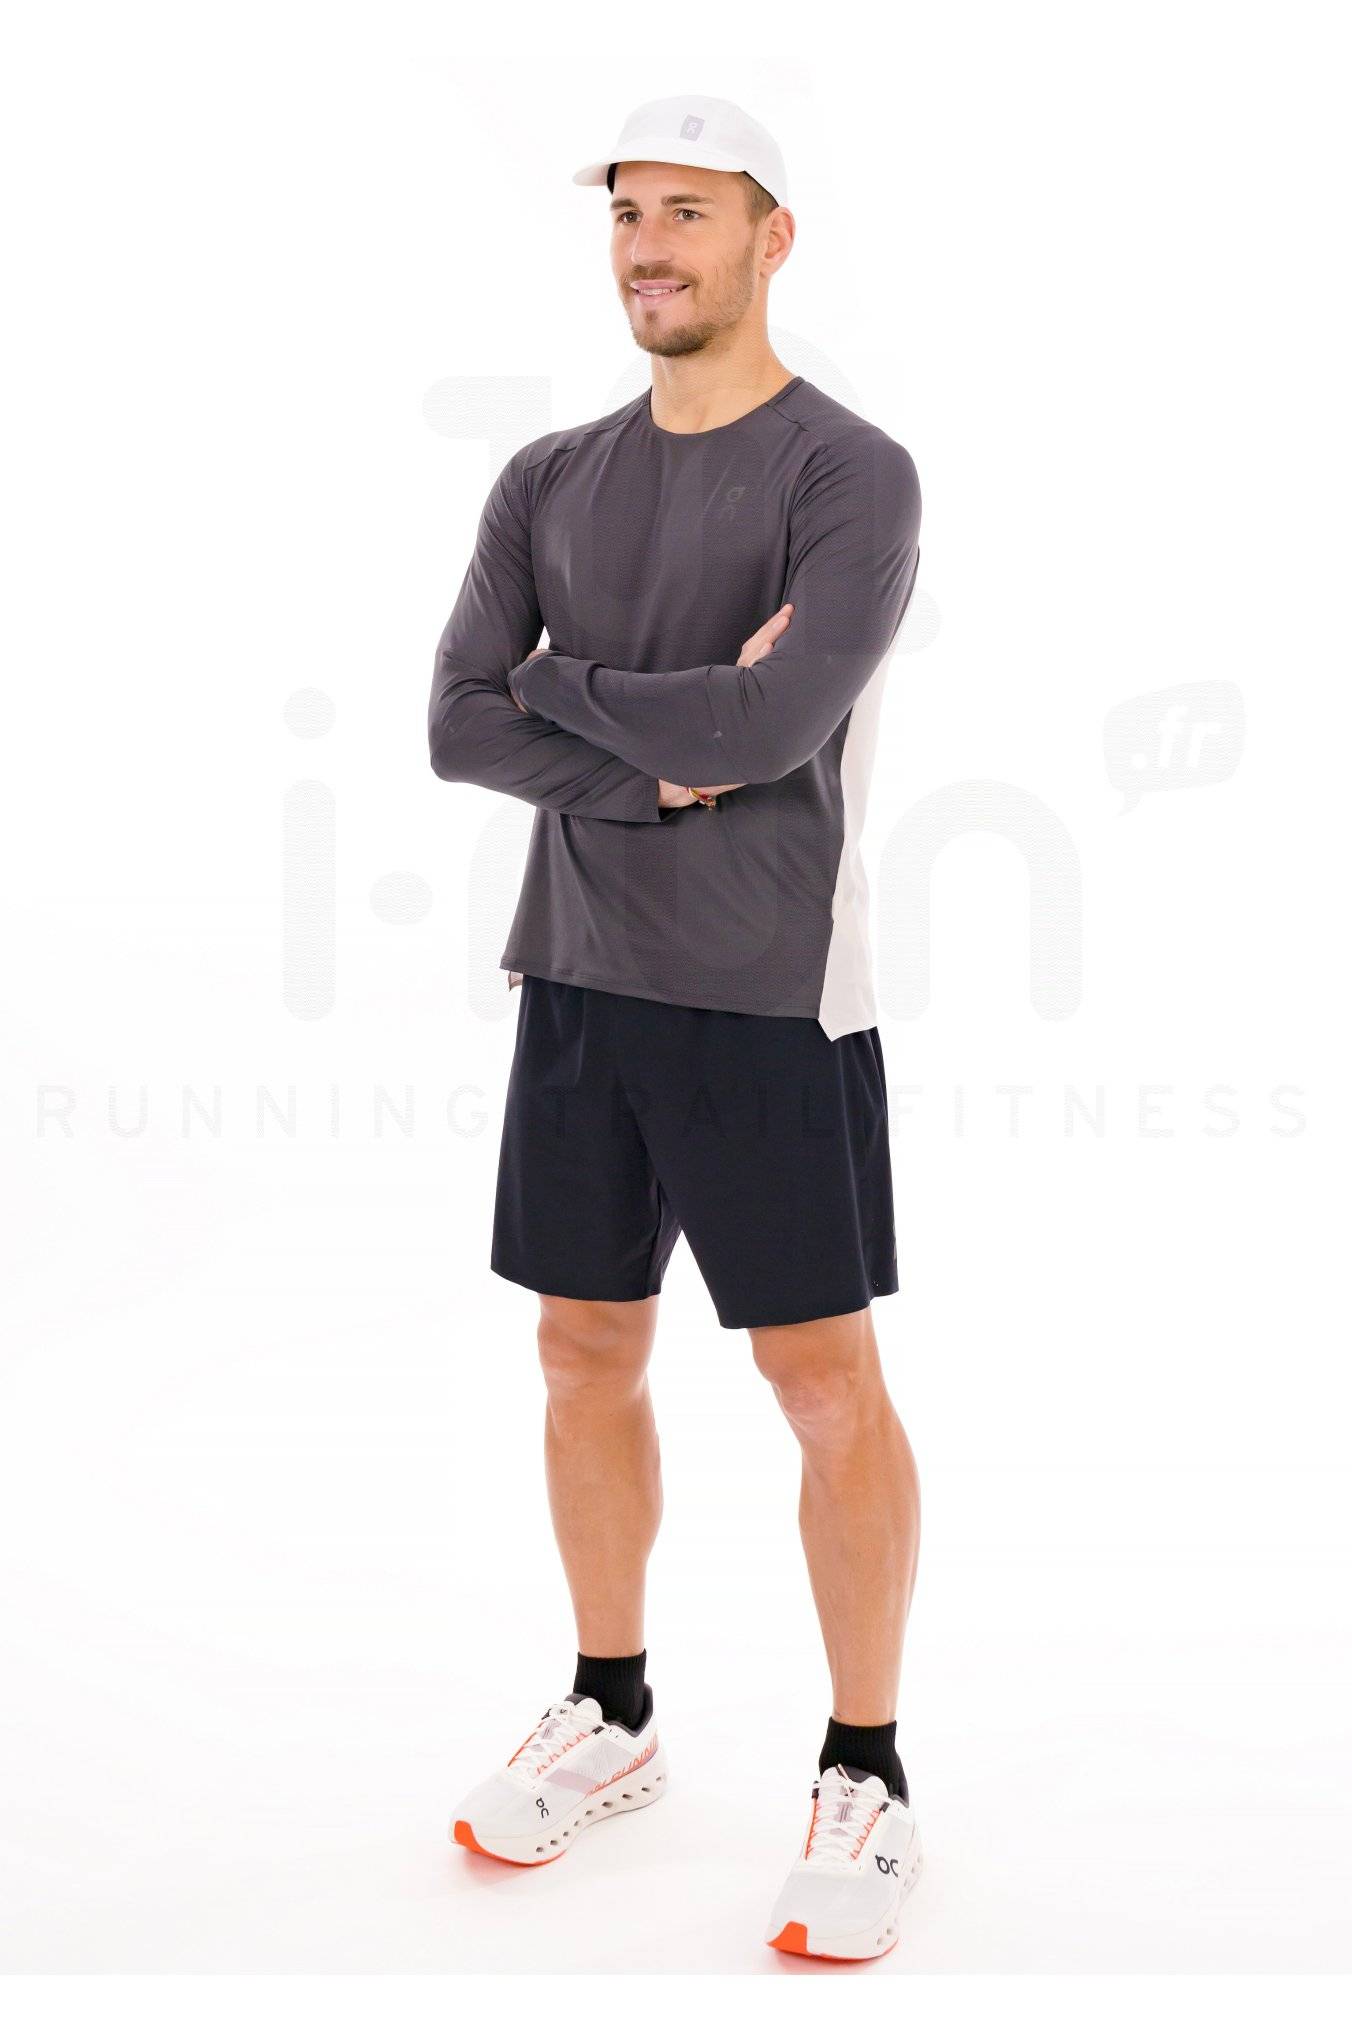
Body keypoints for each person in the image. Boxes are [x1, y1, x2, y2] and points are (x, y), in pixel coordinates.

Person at [428, 93, 924, 1962]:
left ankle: (869, 1764)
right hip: (575, 972)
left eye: (688, 213)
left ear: (771, 238)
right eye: (630, 213)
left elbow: (769, 729)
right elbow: (460, 721)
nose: (648, 246)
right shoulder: (548, 475)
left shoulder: (849, 473)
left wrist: (571, 692)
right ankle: (613, 1711)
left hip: (771, 993)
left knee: (820, 1380)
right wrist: (653, 742)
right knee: (580, 1349)